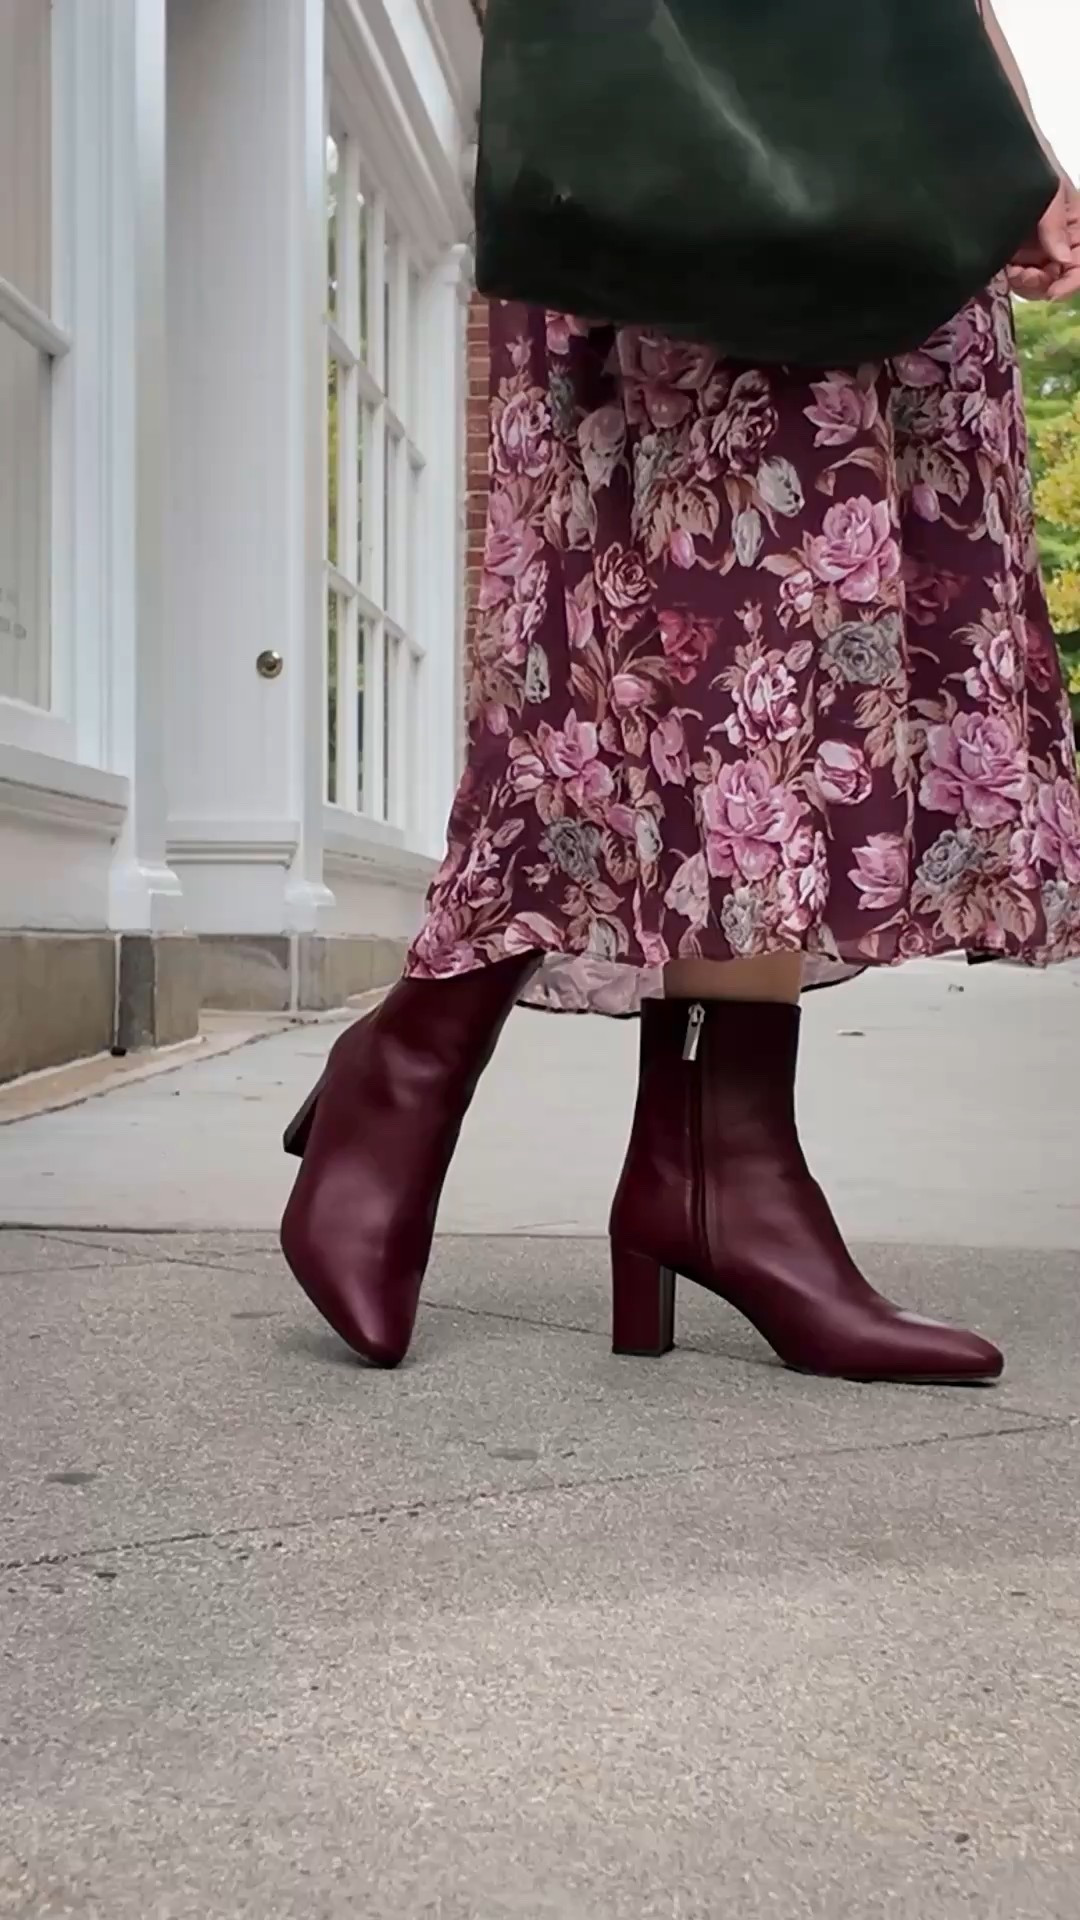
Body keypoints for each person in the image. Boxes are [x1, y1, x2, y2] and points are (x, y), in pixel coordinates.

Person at [281, 0, 1080, 1382]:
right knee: (677, 648)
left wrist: (997, 139)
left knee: (803, 686)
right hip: (666, 124)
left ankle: (706, 1172)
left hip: (873, 150)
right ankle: (472, 1089)